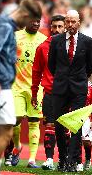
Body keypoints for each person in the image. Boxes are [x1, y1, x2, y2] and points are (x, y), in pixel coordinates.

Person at [0, 0, 42, 175]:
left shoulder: (5, 26)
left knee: (5, 130)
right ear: (25, 14)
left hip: (2, 82)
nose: (28, 25)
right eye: (30, 20)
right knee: (5, 130)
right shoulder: (5, 27)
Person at [48, 10, 92, 172]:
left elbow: (90, 67)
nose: (70, 25)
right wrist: (62, 77)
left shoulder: (87, 41)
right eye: (67, 21)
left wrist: (78, 79)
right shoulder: (56, 41)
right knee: (59, 124)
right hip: (60, 87)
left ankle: (73, 160)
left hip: (79, 89)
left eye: (73, 22)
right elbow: (51, 65)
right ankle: (62, 158)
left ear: (79, 22)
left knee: (76, 126)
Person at [4, 12, 47, 169]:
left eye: (38, 21)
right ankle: (18, 145)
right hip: (17, 85)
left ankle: (32, 159)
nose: (36, 23)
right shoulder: (15, 37)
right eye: (33, 21)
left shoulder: (43, 39)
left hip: (36, 87)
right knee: (16, 118)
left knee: (34, 121)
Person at [30, 15, 66, 170]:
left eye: (60, 26)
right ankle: (49, 160)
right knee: (50, 126)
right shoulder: (42, 47)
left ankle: (67, 160)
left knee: (66, 129)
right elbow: (36, 72)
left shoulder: (73, 45)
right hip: (50, 93)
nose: (57, 30)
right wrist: (34, 93)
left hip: (68, 93)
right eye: (54, 27)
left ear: (65, 27)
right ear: (50, 28)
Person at [78, 81, 92, 171]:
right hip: (73, 116)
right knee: (74, 140)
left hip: (86, 117)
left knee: (86, 142)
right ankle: (77, 162)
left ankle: (88, 158)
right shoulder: (72, 83)